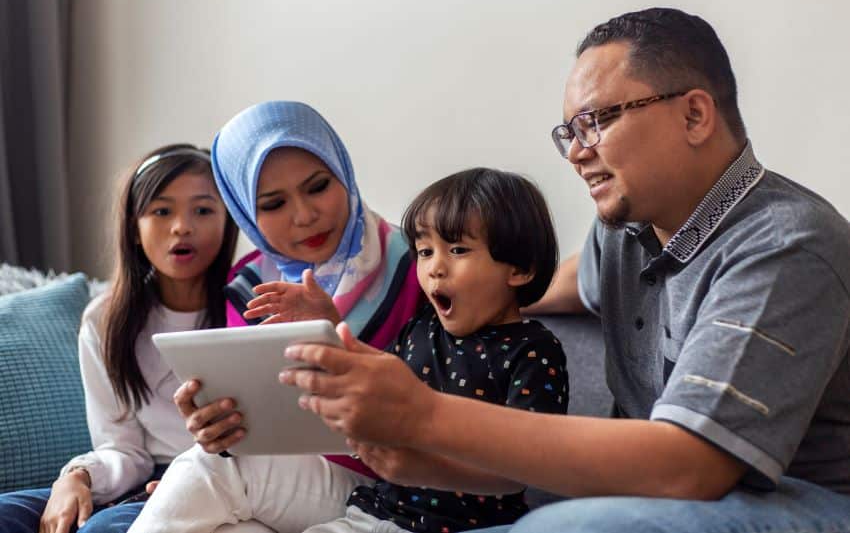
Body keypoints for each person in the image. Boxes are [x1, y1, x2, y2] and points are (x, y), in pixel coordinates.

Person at [279, 7, 850, 533]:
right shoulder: (625, 232)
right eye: (569, 133)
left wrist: (423, 414)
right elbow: (571, 281)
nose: (577, 152)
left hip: (794, 499)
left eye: (595, 121)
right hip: (653, 499)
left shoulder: (786, 247)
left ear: (694, 115)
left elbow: (693, 465)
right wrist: (477, 290)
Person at [128, 167, 567, 533]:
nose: (434, 268)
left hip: (452, 524)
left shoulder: (533, 351)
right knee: (216, 480)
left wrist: (417, 468)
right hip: (375, 508)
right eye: (424, 251)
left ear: (520, 269)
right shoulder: (421, 329)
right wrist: (329, 326)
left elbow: (521, 472)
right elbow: (370, 387)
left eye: (457, 250)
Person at [0, 145, 240, 533]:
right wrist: (78, 476)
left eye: (203, 210)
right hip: (138, 478)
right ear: (133, 227)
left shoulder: (248, 308)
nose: (182, 226)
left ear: (228, 222)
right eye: (161, 211)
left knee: (103, 529)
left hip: (219, 478)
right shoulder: (105, 320)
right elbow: (123, 448)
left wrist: (190, 480)